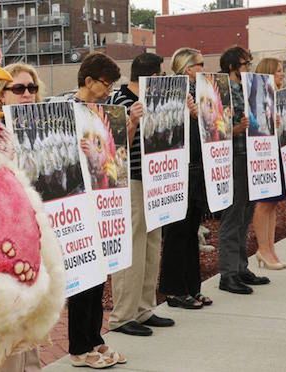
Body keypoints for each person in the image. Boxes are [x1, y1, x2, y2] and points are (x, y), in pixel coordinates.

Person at [64, 52, 127, 369]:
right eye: (106, 83)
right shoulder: (65, 111)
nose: (109, 89)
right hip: (77, 204)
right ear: (88, 81)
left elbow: (112, 158)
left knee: (99, 273)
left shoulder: (103, 113)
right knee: (82, 276)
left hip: (104, 201)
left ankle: (94, 337)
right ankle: (78, 347)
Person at [107, 52, 175, 336]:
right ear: (152, 75)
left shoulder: (155, 98)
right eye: (161, 74)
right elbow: (114, 144)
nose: (164, 80)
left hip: (156, 177)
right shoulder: (120, 100)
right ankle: (123, 315)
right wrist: (132, 120)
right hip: (132, 179)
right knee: (132, 245)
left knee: (152, 244)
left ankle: (145, 308)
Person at [0, 62, 44, 372]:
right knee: (12, 321)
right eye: (19, 89)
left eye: (32, 88)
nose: (27, 94)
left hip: (39, 235)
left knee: (35, 318)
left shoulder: (43, 130)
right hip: (7, 238)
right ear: (2, 95)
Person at [159, 48, 212, 309]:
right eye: (200, 64)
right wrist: (188, 114)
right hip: (178, 171)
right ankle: (174, 290)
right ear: (187, 68)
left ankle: (192, 287)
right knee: (176, 233)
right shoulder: (174, 93)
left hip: (198, 169)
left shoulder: (204, 93)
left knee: (191, 232)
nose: (204, 68)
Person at [218, 46, 270, 295]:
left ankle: (240, 267)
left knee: (246, 213)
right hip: (233, 157)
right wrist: (237, 129)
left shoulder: (249, 88)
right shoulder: (221, 91)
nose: (248, 67)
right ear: (231, 67)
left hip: (251, 155)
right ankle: (228, 274)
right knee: (233, 214)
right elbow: (214, 129)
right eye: (244, 64)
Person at [251, 58, 286, 270]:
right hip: (264, 156)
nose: (282, 74)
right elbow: (254, 125)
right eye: (278, 71)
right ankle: (262, 249)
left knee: (273, 203)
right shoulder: (258, 97)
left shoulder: (278, 96)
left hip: (278, 152)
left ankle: (270, 248)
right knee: (264, 203)